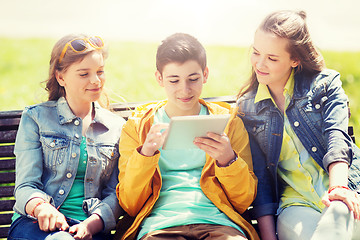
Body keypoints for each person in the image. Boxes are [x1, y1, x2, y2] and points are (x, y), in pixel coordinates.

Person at [115, 33, 259, 240]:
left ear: (205, 74)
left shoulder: (228, 122)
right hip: (159, 227)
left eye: (193, 79)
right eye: (174, 80)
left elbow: (243, 201)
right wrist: (145, 155)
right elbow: (130, 204)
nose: (185, 90)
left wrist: (228, 160)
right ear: (159, 78)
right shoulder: (138, 127)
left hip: (218, 224)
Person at [237, 10, 360, 240]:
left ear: (295, 60)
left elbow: (337, 137)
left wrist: (338, 190)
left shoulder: (325, 86)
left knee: (339, 213)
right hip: (296, 204)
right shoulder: (248, 109)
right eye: (256, 53)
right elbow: (261, 179)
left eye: (272, 58)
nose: (260, 64)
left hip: (344, 188)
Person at [8, 34, 125, 240]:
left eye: (99, 72)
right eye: (84, 74)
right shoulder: (36, 118)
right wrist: (42, 207)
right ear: (61, 77)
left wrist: (94, 222)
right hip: (35, 225)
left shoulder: (116, 127)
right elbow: (26, 185)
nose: (95, 80)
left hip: (90, 229)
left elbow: (115, 192)